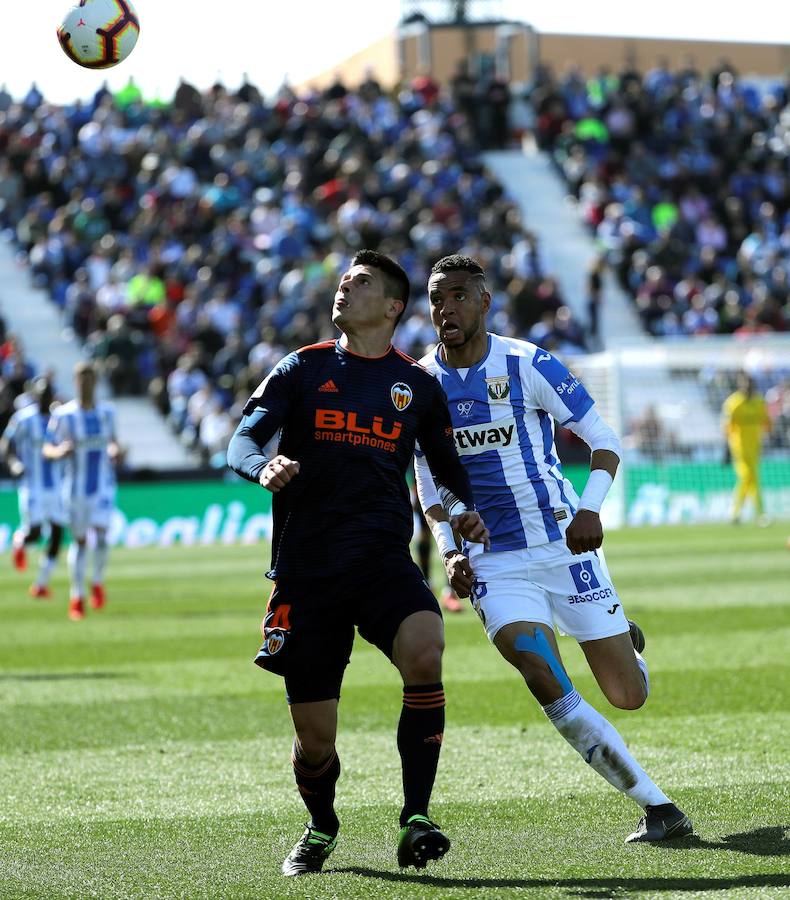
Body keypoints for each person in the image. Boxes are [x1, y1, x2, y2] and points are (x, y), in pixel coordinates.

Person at [414, 255, 693, 844]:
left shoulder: (528, 363)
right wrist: (449, 551)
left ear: (485, 302)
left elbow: (603, 440)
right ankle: (656, 804)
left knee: (628, 696)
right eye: (438, 298)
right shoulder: (421, 386)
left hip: (565, 544)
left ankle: (628, 646)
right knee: (540, 670)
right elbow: (428, 483)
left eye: (459, 296)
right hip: (495, 563)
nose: (447, 309)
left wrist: (591, 508)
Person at [227, 250, 488, 877]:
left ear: (393, 307)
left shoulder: (418, 388)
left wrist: (462, 512)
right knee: (315, 742)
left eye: (360, 283)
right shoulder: (301, 369)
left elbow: (448, 474)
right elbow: (242, 439)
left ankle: (416, 817)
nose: (344, 290)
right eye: (344, 282)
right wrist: (262, 466)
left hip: (380, 561)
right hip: (307, 570)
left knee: (427, 647)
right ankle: (322, 825)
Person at [44, 362, 121, 620]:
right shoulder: (64, 415)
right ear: (75, 382)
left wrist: (115, 451)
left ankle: (96, 581)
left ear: (95, 382)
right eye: (80, 379)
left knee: (101, 534)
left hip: (103, 485)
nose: (85, 383)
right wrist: (59, 451)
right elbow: (47, 448)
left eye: (89, 379)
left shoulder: (107, 413)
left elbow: (113, 443)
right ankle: (77, 595)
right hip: (75, 489)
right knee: (79, 541)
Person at [0, 378, 65, 598]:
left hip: (55, 485)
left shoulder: (59, 418)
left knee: (57, 532)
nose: (45, 397)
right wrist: (14, 463)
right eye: (41, 393)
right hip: (31, 484)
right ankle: (20, 541)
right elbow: (6, 444)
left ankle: (41, 584)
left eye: (49, 393)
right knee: (35, 533)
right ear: (35, 394)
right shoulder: (24, 418)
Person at [722, 372, 772, 524]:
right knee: (748, 477)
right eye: (744, 384)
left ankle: (736, 512)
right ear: (739, 386)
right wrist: (726, 449)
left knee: (750, 478)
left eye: (749, 384)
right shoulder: (733, 403)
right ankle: (758, 513)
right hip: (739, 447)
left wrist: (765, 436)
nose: (747, 387)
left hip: (755, 447)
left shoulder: (759, 402)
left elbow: (767, 424)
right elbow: (727, 427)